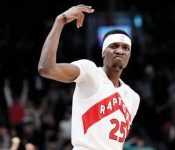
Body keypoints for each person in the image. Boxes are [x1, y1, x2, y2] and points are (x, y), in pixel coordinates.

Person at [38, 4, 140, 150]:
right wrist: (60, 21)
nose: (120, 51)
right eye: (114, 46)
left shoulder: (133, 97)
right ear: (103, 52)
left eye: (126, 48)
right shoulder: (90, 72)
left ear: (129, 55)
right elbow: (46, 69)